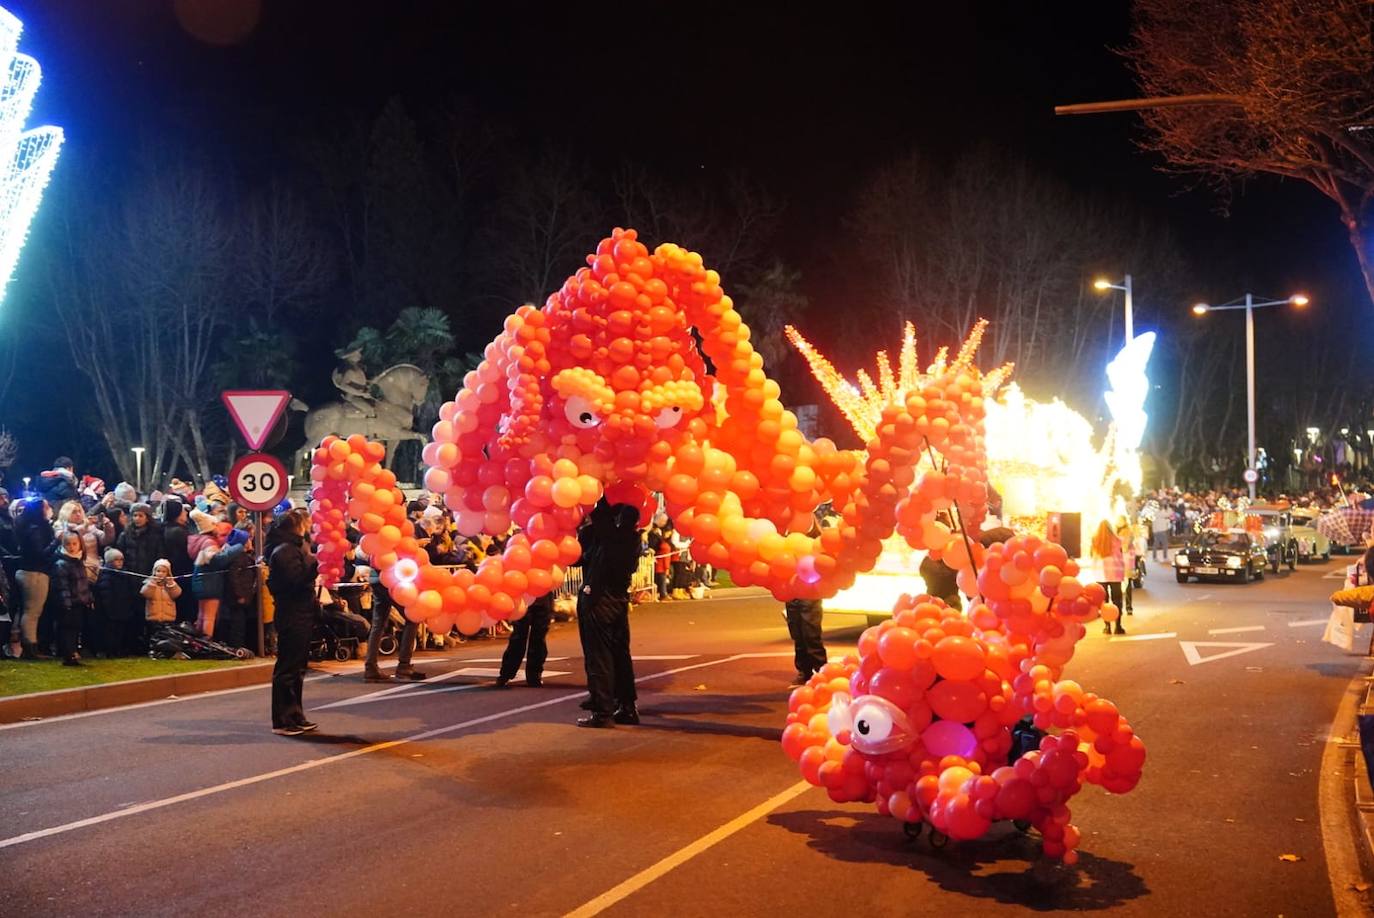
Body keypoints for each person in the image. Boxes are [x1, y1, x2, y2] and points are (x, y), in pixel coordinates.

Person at [576, 499, 642, 728]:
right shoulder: (632, 540)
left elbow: (600, 515)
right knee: (620, 656)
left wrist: (599, 488)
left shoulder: (612, 539)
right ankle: (626, 706)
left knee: (599, 657)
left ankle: (602, 711)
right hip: (619, 601)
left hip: (599, 601)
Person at [265, 510, 320, 736]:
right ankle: (283, 719)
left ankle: (295, 714)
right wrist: (317, 565)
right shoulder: (285, 551)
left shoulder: (295, 548)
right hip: (292, 612)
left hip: (302, 611)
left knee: (298, 668)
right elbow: (294, 581)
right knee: (288, 668)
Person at [13, 499, 54, 660]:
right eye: (46, 506)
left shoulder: (26, 527)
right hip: (35, 573)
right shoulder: (36, 529)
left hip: (26, 571)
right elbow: (41, 554)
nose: (49, 509)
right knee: (32, 612)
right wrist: (57, 540)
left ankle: (30, 646)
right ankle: (30, 647)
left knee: (28, 611)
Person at [494, 592, 553, 688]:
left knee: (538, 638)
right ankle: (506, 673)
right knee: (518, 637)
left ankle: (534, 676)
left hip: (542, 595)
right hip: (522, 596)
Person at [50, 531, 92, 666]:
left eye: (74, 544)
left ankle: (73, 652)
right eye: (68, 544)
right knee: (67, 629)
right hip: (69, 603)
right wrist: (66, 603)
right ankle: (68, 655)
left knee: (75, 628)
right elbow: (62, 586)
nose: (72, 547)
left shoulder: (78, 561)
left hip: (79, 602)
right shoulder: (61, 564)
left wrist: (88, 598)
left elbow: (84, 583)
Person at [95, 547, 138, 656]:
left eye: (121, 560)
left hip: (123, 608)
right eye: (116, 560)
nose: (119, 562)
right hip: (111, 610)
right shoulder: (106, 575)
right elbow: (105, 594)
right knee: (111, 632)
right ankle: (111, 651)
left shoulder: (125, 574)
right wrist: (109, 609)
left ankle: (119, 650)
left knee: (121, 631)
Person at [1090, 519, 1127, 636]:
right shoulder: (1117, 540)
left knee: (1104, 602)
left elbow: (1091, 555)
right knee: (1117, 601)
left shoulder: (1095, 540)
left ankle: (1107, 627)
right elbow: (1123, 552)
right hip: (1116, 574)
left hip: (1100, 574)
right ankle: (1118, 626)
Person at [161, 497, 195, 624]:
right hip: (182, 574)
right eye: (183, 511)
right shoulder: (179, 532)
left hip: (174, 573)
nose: (186, 513)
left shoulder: (165, 528)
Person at [785, 597, 827, 686]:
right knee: (798, 636)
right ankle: (804, 672)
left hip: (809, 595)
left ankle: (821, 671)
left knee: (811, 636)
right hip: (792, 596)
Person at [140, 558, 181, 645]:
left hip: (168, 618)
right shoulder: (149, 583)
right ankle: (152, 649)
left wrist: (171, 584)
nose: (160, 574)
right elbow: (145, 593)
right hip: (153, 618)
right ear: (154, 572)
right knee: (153, 636)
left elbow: (176, 594)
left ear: (168, 573)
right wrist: (152, 583)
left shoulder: (170, 585)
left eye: (163, 571)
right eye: (158, 571)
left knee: (166, 636)